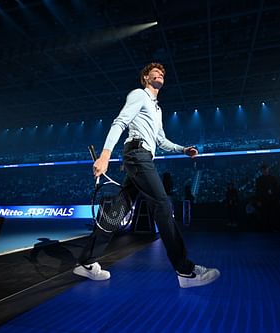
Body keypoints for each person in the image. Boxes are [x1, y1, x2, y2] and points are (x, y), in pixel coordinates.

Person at [74, 63, 220, 288]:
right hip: (137, 155)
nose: (160, 74)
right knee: (162, 205)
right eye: (155, 72)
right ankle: (185, 270)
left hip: (142, 158)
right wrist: (105, 156)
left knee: (116, 211)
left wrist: (183, 149)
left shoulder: (157, 109)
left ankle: (86, 261)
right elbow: (120, 122)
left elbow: (161, 141)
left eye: (162, 73)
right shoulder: (139, 95)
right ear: (145, 77)